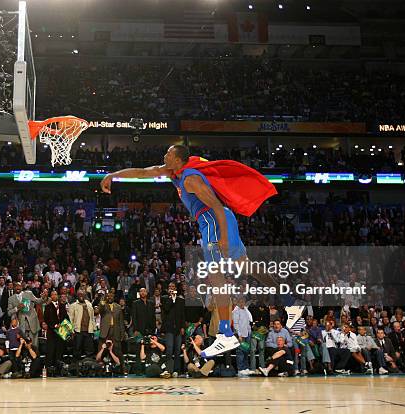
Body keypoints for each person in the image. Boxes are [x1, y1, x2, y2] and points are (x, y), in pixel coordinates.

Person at [101, 145, 276, 357]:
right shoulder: (173, 172)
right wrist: (114, 175)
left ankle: (226, 334)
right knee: (244, 265)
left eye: (168, 154)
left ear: (178, 160)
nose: (164, 156)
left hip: (214, 221)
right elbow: (144, 172)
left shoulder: (191, 180)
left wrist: (222, 238)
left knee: (215, 274)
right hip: (217, 220)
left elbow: (218, 207)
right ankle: (285, 294)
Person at [7, 282, 47, 347]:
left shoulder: (29, 293)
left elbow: (37, 301)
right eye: (16, 286)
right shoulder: (11, 299)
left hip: (32, 322)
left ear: (22, 287)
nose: (17, 287)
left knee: (34, 345)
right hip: (22, 324)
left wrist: (42, 298)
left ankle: (35, 356)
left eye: (19, 286)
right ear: (14, 288)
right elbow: (9, 313)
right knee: (24, 344)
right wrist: (17, 308)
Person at [161, 282, 185, 377]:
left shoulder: (181, 300)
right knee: (169, 349)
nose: (171, 288)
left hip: (178, 328)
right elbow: (166, 309)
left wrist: (183, 327)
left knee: (177, 350)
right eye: (170, 287)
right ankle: (169, 369)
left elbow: (183, 315)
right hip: (169, 328)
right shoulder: (165, 299)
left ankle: (177, 370)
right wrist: (171, 298)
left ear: (176, 288)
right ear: (168, 289)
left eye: (173, 287)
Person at [44, 290, 69, 375]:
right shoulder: (48, 307)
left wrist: (67, 328)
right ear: (51, 297)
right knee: (51, 351)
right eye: (53, 295)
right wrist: (54, 326)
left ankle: (59, 370)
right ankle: (50, 370)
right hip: (52, 332)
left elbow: (66, 317)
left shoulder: (62, 306)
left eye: (55, 294)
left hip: (61, 331)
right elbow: (46, 319)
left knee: (59, 350)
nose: (54, 296)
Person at [68, 289, 96, 358]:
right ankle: (77, 366)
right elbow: (70, 319)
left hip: (88, 330)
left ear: (85, 295)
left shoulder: (89, 304)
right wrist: (71, 331)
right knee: (77, 350)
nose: (81, 295)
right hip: (78, 331)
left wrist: (94, 328)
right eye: (79, 294)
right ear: (77, 296)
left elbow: (92, 317)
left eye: (82, 294)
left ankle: (89, 365)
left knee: (89, 350)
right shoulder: (73, 305)